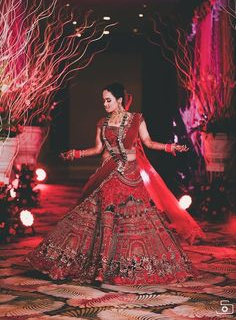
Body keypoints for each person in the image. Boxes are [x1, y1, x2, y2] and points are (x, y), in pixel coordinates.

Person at [26, 82, 204, 285]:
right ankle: (101, 269)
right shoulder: (102, 122)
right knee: (106, 218)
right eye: (103, 100)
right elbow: (97, 149)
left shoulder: (137, 119)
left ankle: (132, 264)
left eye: (108, 100)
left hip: (131, 175)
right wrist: (75, 154)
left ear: (119, 100)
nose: (105, 104)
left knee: (139, 220)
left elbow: (149, 143)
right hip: (109, 174)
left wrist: (170, 147)